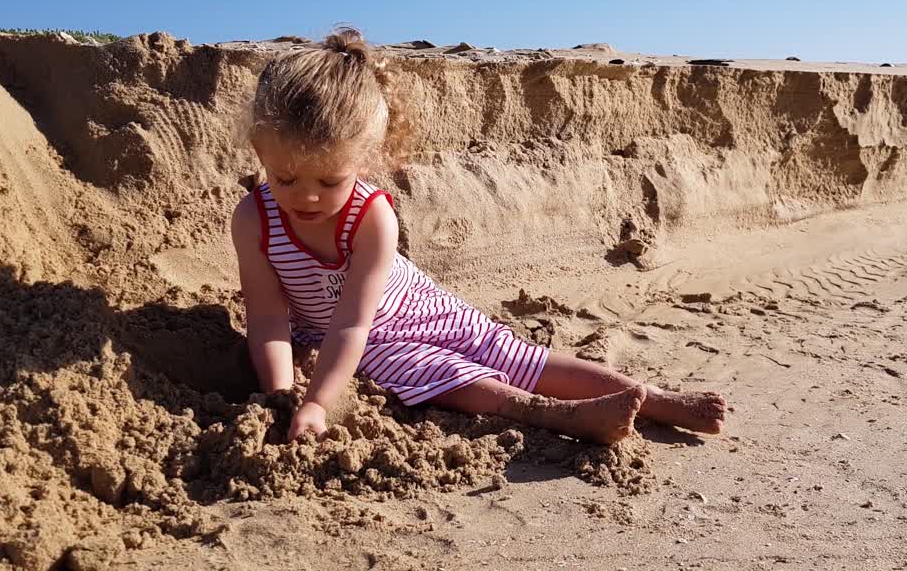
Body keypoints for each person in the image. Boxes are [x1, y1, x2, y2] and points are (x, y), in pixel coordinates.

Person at [231, 27, 727, 445]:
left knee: (516, 355)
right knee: (433, 372)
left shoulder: (371, 217)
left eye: (330, 181)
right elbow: (269, 315)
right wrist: (283, 397)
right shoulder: (255, 219)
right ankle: (554, 415)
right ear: (259, 150)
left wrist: (319, 399)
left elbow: (351, 322)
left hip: (412, 309)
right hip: (347, 335)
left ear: (363, 159)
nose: (307, 197)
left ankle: (655, 398)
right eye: (287, 178)